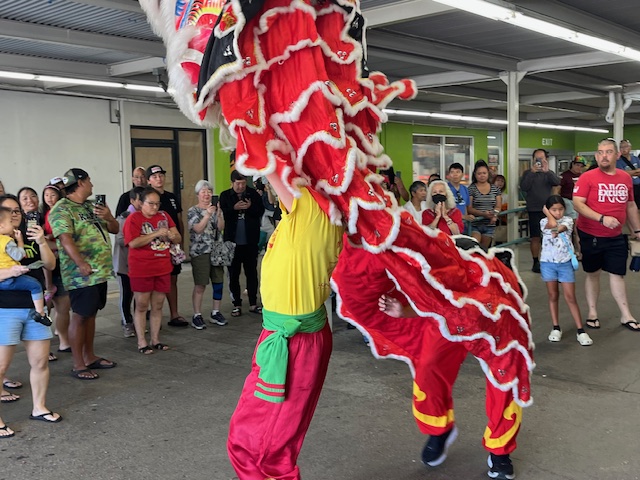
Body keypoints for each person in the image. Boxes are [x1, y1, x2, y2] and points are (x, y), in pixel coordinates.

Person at [227, 174, 344, 479]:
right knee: (261, 441)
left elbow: (273, 165)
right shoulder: (307, 212)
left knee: (263, 446)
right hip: (285, 337)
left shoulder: (311, 208)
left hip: (296, 344)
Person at [0, 194, 62, 437]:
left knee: (40, 361)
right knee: (1, 367)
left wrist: (42, 241)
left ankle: (39, 407)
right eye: (9, 210)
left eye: (18, 210)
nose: (15, 214)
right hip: (5, 309)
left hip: (34, 309)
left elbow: (50, 265)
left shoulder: (27, 235)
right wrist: (8, 273)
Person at [49, 168, 119, 380]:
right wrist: (80, 263)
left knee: (91, 314)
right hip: (81, 274)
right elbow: (65, 238)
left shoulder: (91, 206)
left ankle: (90, 356)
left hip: (100, 272)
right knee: (79, 316)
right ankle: (78, 364)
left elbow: (115, 229)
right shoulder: (62, 209)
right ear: (80, 182)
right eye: (89, 180)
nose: (92, 185)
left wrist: (108, 216)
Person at [573, 138, 640, 332]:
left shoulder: (625, 178)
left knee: (617, 273)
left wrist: (637, 230)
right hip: (591, 234)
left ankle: (626, 315)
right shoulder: (588, 177)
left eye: (608, 152)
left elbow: (630, 205)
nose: (604, 155)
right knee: (593, 274)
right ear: (596, 155)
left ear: (617, 155)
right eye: (600, 152)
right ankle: (592, 313)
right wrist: (601, 218)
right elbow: (578, 203)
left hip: (617, 235)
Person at [124, 187, 180, 353]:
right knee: (141, 305)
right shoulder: (134, 218)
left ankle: (156, 339)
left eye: (157, 204)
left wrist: (172, 235)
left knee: (158, 304)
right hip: (142, 268)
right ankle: (142, 341)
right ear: (141, 203)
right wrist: (155, 234)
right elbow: (133, 242)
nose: (154, 207)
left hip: (162, 266)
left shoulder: (164, 216)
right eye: (151, 204)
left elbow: (178, 236)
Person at [540, 195, 592, 346]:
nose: (558, 213)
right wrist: (548, 215)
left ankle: (580, 330)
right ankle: (556, 327)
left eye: (560, 209)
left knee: (570, 296)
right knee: (553, 295)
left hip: (565, 264)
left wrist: (548, 213)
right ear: (548, 210)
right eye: (553, 210)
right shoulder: (543, 221)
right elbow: (550, 224)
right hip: (547, 263)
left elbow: (557, 228)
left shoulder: (568, 221)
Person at [146, 165, 187, 327]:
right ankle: (154, 312)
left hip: (172, 245)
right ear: (149, 180)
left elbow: (179, 220)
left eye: (161, 175)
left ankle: (174, 314)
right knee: (154, 281)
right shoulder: (147, 198)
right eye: (154, 176)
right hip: (155, 246)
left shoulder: (171, 197)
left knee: (173, 279)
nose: (159, 179)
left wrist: (181, 241)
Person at [220, 170, 265, 317]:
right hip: (232, 241)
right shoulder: (225, 195)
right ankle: (236, 304)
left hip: (250, 240)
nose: (240, 187)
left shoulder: (253, 194)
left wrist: (250, 207)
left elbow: (260, 212)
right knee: (233, 273)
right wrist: (234, 208)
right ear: (232, 183)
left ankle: (253, 303)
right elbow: (223, 214)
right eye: (238, 184)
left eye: (243, 183)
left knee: (251, 272)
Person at [0, 208, 51, 326]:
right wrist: (20, 241)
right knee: (35, 285)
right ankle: (40, 313)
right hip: (10, 279)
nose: (13, 224)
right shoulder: (7, 241)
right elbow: (19, 255)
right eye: (10, 222)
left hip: (2, 282)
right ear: (1, 226)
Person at [188, 180, 227, 329]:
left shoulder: (216, 208)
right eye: (203, 192)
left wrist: (218, 214)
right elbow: (197, 229)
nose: (207, 194)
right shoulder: (193, 211)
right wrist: (207, 215)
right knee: (200, 284)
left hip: (217, 249)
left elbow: (221, 227)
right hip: (200, 251)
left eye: (209, 191)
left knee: (218, 282)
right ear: (198, 194)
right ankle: (197, 315)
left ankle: (215, 312)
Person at [519, 149, 561, 273]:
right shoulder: (527, 173)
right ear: (533, 159)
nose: (539, 161)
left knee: (552, 235)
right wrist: (532, 172)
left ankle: (552, 259)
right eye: (537, 159)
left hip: (548, 211)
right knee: (535, 237)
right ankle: (535, 261)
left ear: (545, 159)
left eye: (541, 159)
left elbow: (557, 182)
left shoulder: (549, 173)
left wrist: (547, 171)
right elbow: (524, 187)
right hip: (533, 209)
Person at [41, 183, 71, 353]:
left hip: (60, 258)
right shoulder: (43, 214)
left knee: (63, 305)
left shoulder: (62, 212)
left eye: (53, 195)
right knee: (46, 307)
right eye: (46, 195)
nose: (49, 198)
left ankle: (64, 339)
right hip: (49, 258)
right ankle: (47, 286)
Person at [113, 186, 144, 338]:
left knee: (139, 294)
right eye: (140, 200)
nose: (143, 203)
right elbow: (119, 239)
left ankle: (138, 321)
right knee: (126, 294)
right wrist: (137, 240)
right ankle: (127, 323)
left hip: (139, 264)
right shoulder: (124, 217)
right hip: (124, 264)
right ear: (132, 201)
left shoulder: (145, 216)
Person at [468, 160, 502, 249]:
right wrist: (483, 214)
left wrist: (495, 214)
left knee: (484, 251)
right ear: (475, 174)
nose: (482, 175)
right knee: (474, 248)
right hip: (475, 224)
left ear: (488, 173)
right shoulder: (471, 189)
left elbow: (498, 206)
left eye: (484, 173)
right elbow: (469, 208)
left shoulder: (495, 189)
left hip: (489, 225)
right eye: (479, 173)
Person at [447, 162, 475, 234]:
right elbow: (445, 209)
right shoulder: (445, 189)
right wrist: (463, 217)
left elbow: (465, 206)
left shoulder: (464, 189)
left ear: (462, 174)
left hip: (463, 225)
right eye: (452, 172)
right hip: (449, 225)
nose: (455, 175)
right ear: (449, 175)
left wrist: (466, 217)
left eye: (458, 172)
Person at [616, 139, 640, 209]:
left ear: (630, 147)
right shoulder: (618, 161)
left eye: (626, 146)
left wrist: (630, 173)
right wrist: (636, 171)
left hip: (638, 186)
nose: (624, 149)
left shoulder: (636, 159)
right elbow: (622, 174)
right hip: (627, 187)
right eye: (621, 147)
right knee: (629, 207)